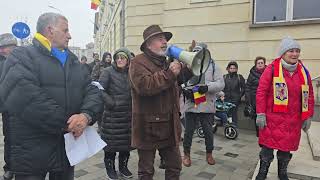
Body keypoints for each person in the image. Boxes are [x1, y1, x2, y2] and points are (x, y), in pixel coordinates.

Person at [0, 12, 103, 180]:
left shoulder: (73, 60)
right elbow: (28, 98)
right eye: (65, 30)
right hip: (31, 152)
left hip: (66, 150)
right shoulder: (21, 56)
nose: (69, 35)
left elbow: (92, 90)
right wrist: (68, 123)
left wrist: (86, 115)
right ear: (50, 30)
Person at [129, 24, 192, 180]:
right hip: (147, 126)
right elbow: (144, 86)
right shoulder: (138, 62)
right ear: (149, 44)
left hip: (169, 124)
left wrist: (189, 68)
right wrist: (170, 73)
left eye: (165, 39)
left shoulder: (165, 61)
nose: (165, 42)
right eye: (160, 39)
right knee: (146, 170)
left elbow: (176, 81)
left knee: (174, 166)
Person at [255, 37, 314, 180]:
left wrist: (308, 116)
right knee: (267, 149)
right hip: (272, 119)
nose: (294, 54)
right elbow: (261, 92)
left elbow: (310, 95)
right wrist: (261, 113)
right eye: (291, 51)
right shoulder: (272, 69)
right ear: (283, 53)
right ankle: (262, 172)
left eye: (297, 51)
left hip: (293, 121)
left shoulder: (304, 72)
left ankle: (282, 172)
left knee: (285, 150)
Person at [181, 42, 224, 167]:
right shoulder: (188, 65)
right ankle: (186, 154)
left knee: (208, 132)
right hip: (191, 105)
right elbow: (183, 82)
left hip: (207, 106)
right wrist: (186, 90)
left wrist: (207, 87)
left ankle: (209, 154)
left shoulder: (214, 66)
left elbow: (221, 84)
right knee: (188, 132)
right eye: (195, 53)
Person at [98, 47, 134, 180]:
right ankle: (110, 169)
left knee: (125, 145)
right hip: (112, 117)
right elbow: (100, 89)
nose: (119, 60)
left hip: (128, 116)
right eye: (117, 57)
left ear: (128, 60)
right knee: (111, 147)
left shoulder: (131, 72)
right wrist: (111, 102)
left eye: (123, 57)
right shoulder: (107, 72)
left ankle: (123, 167)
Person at [0, 33, 17, 180]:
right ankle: (10, 167)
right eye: (4, 47)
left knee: (24, 137)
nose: (6, 50)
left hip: (24, 108)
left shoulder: (22, 61)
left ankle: (22, 165)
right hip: (7, 110)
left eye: (10, 46)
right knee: (10, 138)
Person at [244, 56, 267, 137]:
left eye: (262, 63)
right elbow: (247, 88)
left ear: (264, 64)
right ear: (256, 64)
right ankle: (259, 135)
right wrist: (248, 101)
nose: (260, 64)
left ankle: (266, 135)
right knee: (257, 118)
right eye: (258, 63)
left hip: (267, 100)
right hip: (255, 100)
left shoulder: (268, 72)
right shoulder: (252, 74)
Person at [223, 61, 245, 126]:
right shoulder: (224, 77)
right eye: (231, 68)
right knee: (227, 113)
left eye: (234, 68)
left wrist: (239, 96)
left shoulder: (239, 77)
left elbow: (244, 88)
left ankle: (234, 127)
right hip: (226, 99)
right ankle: (228, 127)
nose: (232, 69)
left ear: (236, 69)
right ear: (228, 69)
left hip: (235, 99)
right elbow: (221, 87)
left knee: (234, 113)